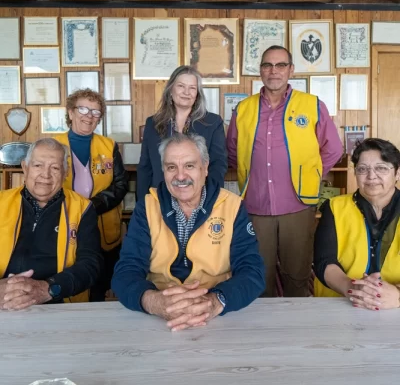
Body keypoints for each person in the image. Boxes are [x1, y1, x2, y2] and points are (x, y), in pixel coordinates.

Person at [112, 133, 265, 331]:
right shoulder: (148, 206)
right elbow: (126, 271)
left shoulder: (232, 206)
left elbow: (252, 272)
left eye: (189, 166)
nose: (181, 176)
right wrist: (154, 302)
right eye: (171, 167)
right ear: (163, 170)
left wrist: (215, 301)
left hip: (218, 317)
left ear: (205, 167)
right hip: (158, 318)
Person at [227, 45, 343, 297]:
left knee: (297, 273)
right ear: (260, 71)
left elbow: (333, 149)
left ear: (291, 70)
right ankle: (263, 333)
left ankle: (298, 330)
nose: (274, 71)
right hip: (256, 206)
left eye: (280, 65)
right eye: (267, 65)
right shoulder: (243, 109)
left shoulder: (312, 105)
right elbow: (233, 152)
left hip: (298, 205)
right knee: (258, 274)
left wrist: (311, 176)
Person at [0, 138, 102, 310]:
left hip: (58, 303)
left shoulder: (82, 208)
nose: (45, 175)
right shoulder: (2, 202)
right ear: (25, 168)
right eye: (38, 165)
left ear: (65, 173)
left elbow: (91, 265)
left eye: (54, 168)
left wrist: (48, 288)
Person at [55, 89, 128, 301]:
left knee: (100, 281)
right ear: (70, 112)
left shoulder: (109, 145)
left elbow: (121, 184)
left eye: (96, 112)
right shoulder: (53, 145)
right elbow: (44, 184)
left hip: (103, 225)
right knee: (68, 276)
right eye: (83, 109)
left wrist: (92, 207)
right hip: (64, 221)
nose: (89, 116)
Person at [314, 138, 400, 310]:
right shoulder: (334, 207)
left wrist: (398, 295)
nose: (371, 176)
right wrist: (352, 288)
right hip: (341, 303)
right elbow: (324, 261)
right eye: (362, 169)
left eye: (381, 168)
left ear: (397, 173)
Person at [137, 65, 227, 200]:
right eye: (181, 86)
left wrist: (210, 199)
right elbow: (145, 167)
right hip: (160, 198)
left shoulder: (213, 123)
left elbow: (218, 165)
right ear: (170, 90)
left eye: (192, 88)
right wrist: (142, 204)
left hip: (198, 199)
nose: (186, 92)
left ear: (197, 94)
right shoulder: (153, 123)